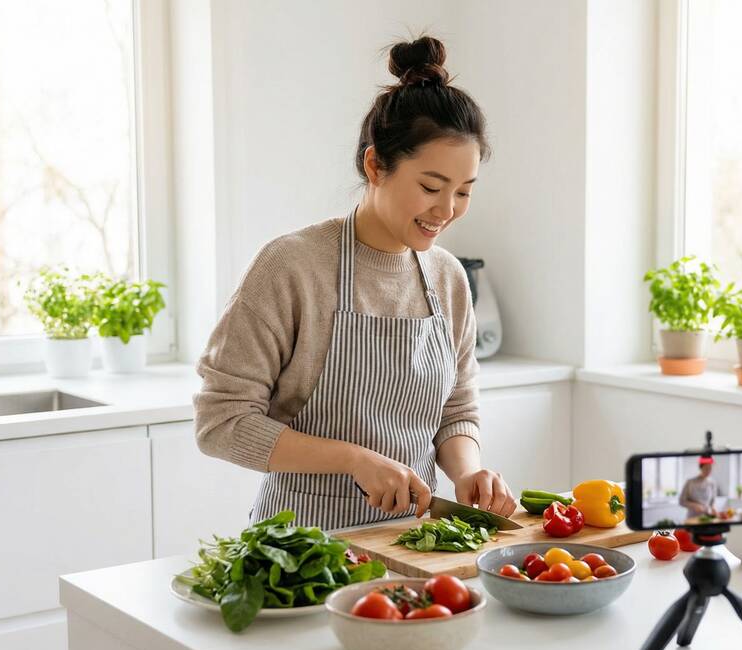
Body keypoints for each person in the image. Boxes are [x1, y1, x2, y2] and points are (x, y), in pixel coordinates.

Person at [192, 35, 516, 530]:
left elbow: (456, 409)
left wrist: (467, 471)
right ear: (374, 165)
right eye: (430, 187)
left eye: (463, 192)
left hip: (414, 542)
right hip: (302, 549)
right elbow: (221, 423)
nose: (447, 211)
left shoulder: (447, 277)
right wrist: (353, 459)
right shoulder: (292, 266)